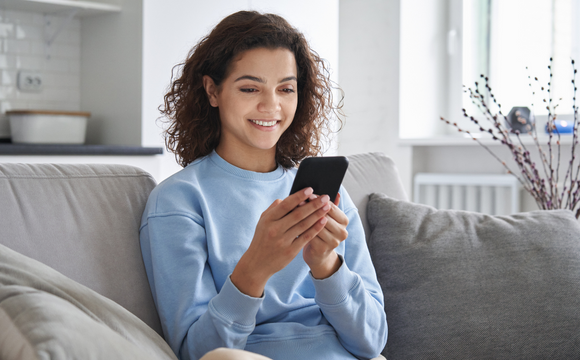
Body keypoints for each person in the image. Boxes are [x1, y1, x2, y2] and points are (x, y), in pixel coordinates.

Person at [139, 10, 387, 360]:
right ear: (213, 90)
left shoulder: (328, 196)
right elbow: (199, 352)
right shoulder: (178, 201)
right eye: (250, 88)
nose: (271, 106)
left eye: (286, 89)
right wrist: (255, 267)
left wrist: (326, 264)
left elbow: (372, 342)